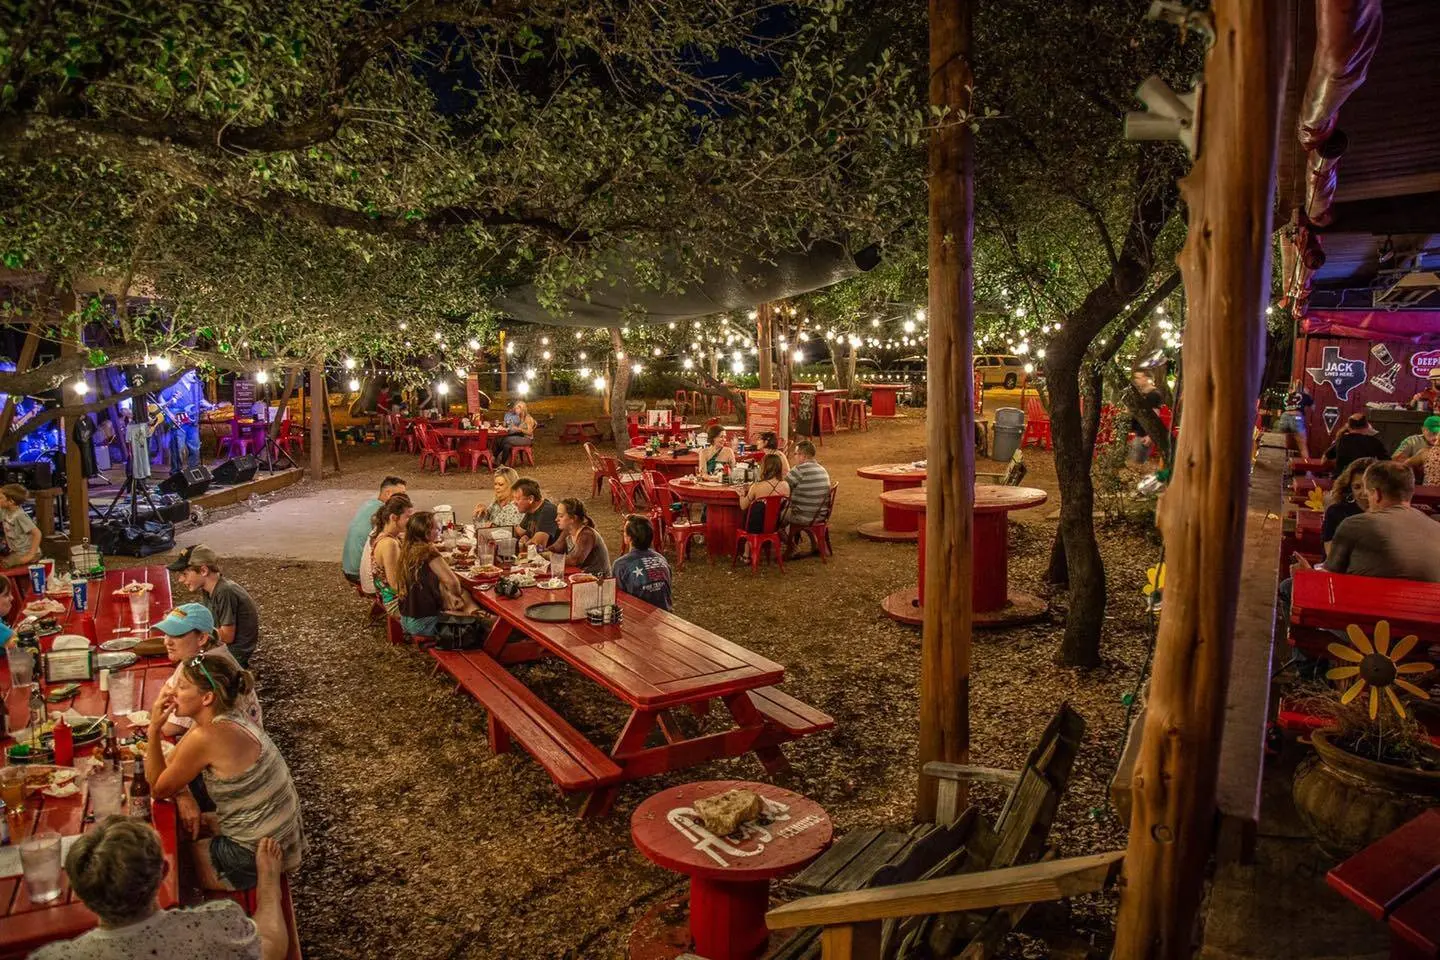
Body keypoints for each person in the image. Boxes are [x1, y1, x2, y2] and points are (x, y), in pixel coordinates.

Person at [144, 656, 306, 892]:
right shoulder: (224, 715)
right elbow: (170, 763)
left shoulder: (207, 735)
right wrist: (184, 794)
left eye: (182, 687)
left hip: (259, 853)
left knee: (172, 864)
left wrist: (153, 729)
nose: (171, 693)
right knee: (188, 827)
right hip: (280, 836)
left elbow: (157, 789)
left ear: (207, 698)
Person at [28, 816, 290, 960]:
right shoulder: (217, 924)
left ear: (79, 892)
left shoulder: (54, 957)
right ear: (164, 872)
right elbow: (273, 948)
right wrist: (268, 883)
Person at [1298, 460, 1440, 582]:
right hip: (1423, 609)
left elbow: (1330, 576)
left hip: (1368, 608)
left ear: (1376, 494)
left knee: (1289, 585)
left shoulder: (1355, 524)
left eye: (1368, 492)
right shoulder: (1436, 527)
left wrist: (1307, 572)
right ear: (1410, 492)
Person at [168, 546, 261, 668]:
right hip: (223, 646)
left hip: (233, 654)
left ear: (204, 571)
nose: (180, 579)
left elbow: (227, 637)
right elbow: (209, 618)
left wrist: (189, 628)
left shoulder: (224, 591)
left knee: (186, 663)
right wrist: (182, 615)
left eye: (184, 574)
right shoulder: (209, 589)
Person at [396, 511, 481, 637]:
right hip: (424, 623)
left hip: (407, 620)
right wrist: (455, 595)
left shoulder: (407, 549)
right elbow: (452, 582)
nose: (440, 530)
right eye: (436, 527)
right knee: (481, 622)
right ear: (426, 532)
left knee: (465, 598)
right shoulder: (427, 551)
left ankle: (482, 615)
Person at [342, 476, 406, 585]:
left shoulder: (369, 504)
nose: (404, 498)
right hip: (359, 572)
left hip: (349, 567)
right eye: (401, 494)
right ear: (388, 493)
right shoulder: (383, 512)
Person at [783, 440, 834, 556]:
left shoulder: (798, 470)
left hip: (803, 515)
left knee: (775, 518)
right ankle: (816, 544)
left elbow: (783, 488)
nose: (794, 457)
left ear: (803, 455)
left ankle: (792, 547)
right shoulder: (822, 469)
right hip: (820, 514)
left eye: (795, 454)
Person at [612, 515, 672, 610]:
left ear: (629, 538)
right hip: (665, 615)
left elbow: (619, 599)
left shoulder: (621, 565)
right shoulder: (662, 559)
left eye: (624, 531)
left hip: (638, 617)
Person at [367, 494, 413, 617]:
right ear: (393, 517)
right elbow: (396, 585)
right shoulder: (389, 544)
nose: (411, 521)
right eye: (408, 517)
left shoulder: (390, 536)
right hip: (396, 602)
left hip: (393, 597)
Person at [1321, 456, 1374, 553]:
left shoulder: (1389, 514)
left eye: (1369, 486)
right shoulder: (1336, 512)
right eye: (1357, 487)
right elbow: (1331, 555)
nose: (1364, 492)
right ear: (1349, 489)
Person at [549, 499, 611, 577]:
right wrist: (537, 550)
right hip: (582, 577)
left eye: (561, 516)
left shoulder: (586, 534)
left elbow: (575, 560)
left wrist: (548, 556)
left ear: (573, 518)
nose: (556, 519)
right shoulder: (567, 531)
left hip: (599, 581)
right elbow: (555, 548)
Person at [738, 453, 790, 533]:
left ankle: (748, 544)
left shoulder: (756, 487)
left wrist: (741, 494)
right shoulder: (786, 485)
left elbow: (743, 506)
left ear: (764, 467)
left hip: (756, 526)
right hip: (776, 525)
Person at [1322, 413, 1389, 475]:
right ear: (1366, 426)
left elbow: (1324, 460)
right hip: (1362, 480)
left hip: (1341, 479)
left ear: (1349, 427)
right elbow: (1387, 463)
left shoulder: (1341, 440)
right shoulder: (1374, 442)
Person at [0, 482, 41, 568]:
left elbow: (37, 533)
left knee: (4, 565)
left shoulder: (20, 516)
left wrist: (30, 555)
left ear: (11, 501)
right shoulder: (4, 510)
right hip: (15, 550)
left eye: (1, 498)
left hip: (25, 552)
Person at [511, 478, 559, 549]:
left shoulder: (548, 511)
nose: (514, 502)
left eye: (517, 499)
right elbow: (520, 532)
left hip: (552, 558)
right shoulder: (531, 510)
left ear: (530, 499)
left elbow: (538, 545)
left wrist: (525, 542)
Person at [1276, 379, 1314, 456]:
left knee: (1281, 444)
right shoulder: (1304, 395)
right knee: (1302, 446)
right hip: (1297, 417)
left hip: (1284, 417)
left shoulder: (1286, 397)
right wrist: (1307, 395)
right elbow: (1313, 407)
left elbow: (1278, 414)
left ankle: (1281, 463)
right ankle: (1306, 466)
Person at [495, 401, 536, 465]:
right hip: (520, 437)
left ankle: (496, 457)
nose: (515, 410)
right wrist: (510, 428)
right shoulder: (520, 417)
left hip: (527, 439)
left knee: (506, 439)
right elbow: (518, 430)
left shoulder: (527, 418)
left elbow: (530, 433)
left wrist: (519, 429)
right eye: (515, 408)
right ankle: (502, 463)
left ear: (522, 409)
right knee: (506, 444)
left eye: (517, 409)